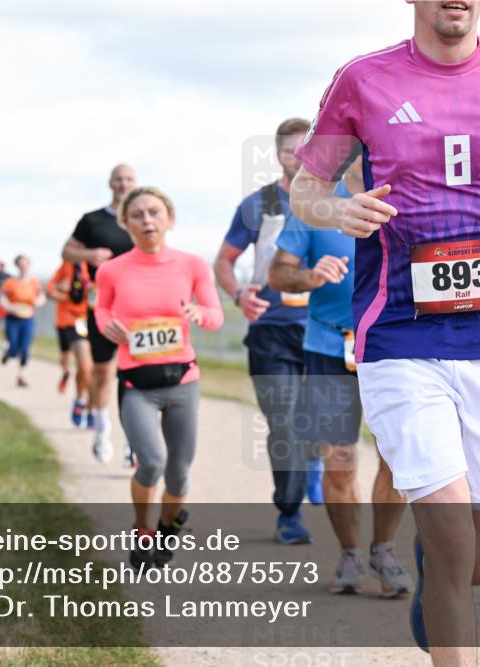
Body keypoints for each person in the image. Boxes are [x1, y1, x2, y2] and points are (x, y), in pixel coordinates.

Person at [291, 0, 480, 661]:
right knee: (453, 540)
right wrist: (338, 209)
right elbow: (307, 188)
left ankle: (436, 570)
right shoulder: (362, 79)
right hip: (399, 336)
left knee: (478, 561)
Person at [270, 160, 412, 597]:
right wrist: (309, 276)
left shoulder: (408, 197)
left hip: (395, 346)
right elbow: (278, 273)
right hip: (330, 348)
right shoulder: (315, 205)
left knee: (396, 460)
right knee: (338, 461)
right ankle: (350, 553)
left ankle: (383, 550)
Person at [95, 186, 224, 568]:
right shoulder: (111, 270)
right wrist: (107, 325)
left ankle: (168, 527)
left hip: (183, 381)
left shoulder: (193, 265)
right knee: (151, 462)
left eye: (154, 212)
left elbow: (215, 314)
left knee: (179, 476)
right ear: (125, 223)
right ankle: (143, 529)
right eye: (137, 215)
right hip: (137, 384)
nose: (147, 221)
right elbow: (101, 310)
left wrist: (200, 314)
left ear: (170, 219)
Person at [214, 117, 320, 545]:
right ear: (279, 156)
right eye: (294, 150)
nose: (303, 157)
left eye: (309, 148)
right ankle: (289, 513)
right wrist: (239, 294)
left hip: (325, 330)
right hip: (272, 331)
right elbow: (224, 260)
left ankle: (311, 465)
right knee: (285, 423)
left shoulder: (337, 201)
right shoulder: (258, 205)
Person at [62, 164, 137, 463]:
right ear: (110, 183)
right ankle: (102, 431)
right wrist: (88, 255)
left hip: (138, 307)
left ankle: (133, 441)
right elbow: (67, 251)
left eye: (128, 179)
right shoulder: (92, 220)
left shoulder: (141, 218)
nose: (123, 183)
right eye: (118, 179)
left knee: (134, 375)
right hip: (103, 306)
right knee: (103, 372)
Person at [46, 260, 93, 426]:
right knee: (73, 361)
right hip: (68, 321)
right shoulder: (66, 266)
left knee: (91, 368)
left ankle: (90, 406)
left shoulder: (95, 265)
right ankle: (77, 392)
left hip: (91, 320)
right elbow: (49, 291)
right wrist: (64, 293)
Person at [0, 255, 45, 387]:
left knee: (25, 349)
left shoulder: (34, 282)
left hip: (28, 318)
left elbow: (41, 296)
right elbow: (2, 298)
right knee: (14, 347)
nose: (23, 267)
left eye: (25, 264)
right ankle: (9, 352)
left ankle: (21, 376)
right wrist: (10, 307)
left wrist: (38, 302)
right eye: (20, 265)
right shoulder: (10, 283)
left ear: (29, 265)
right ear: (17, 266)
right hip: (13, 318)